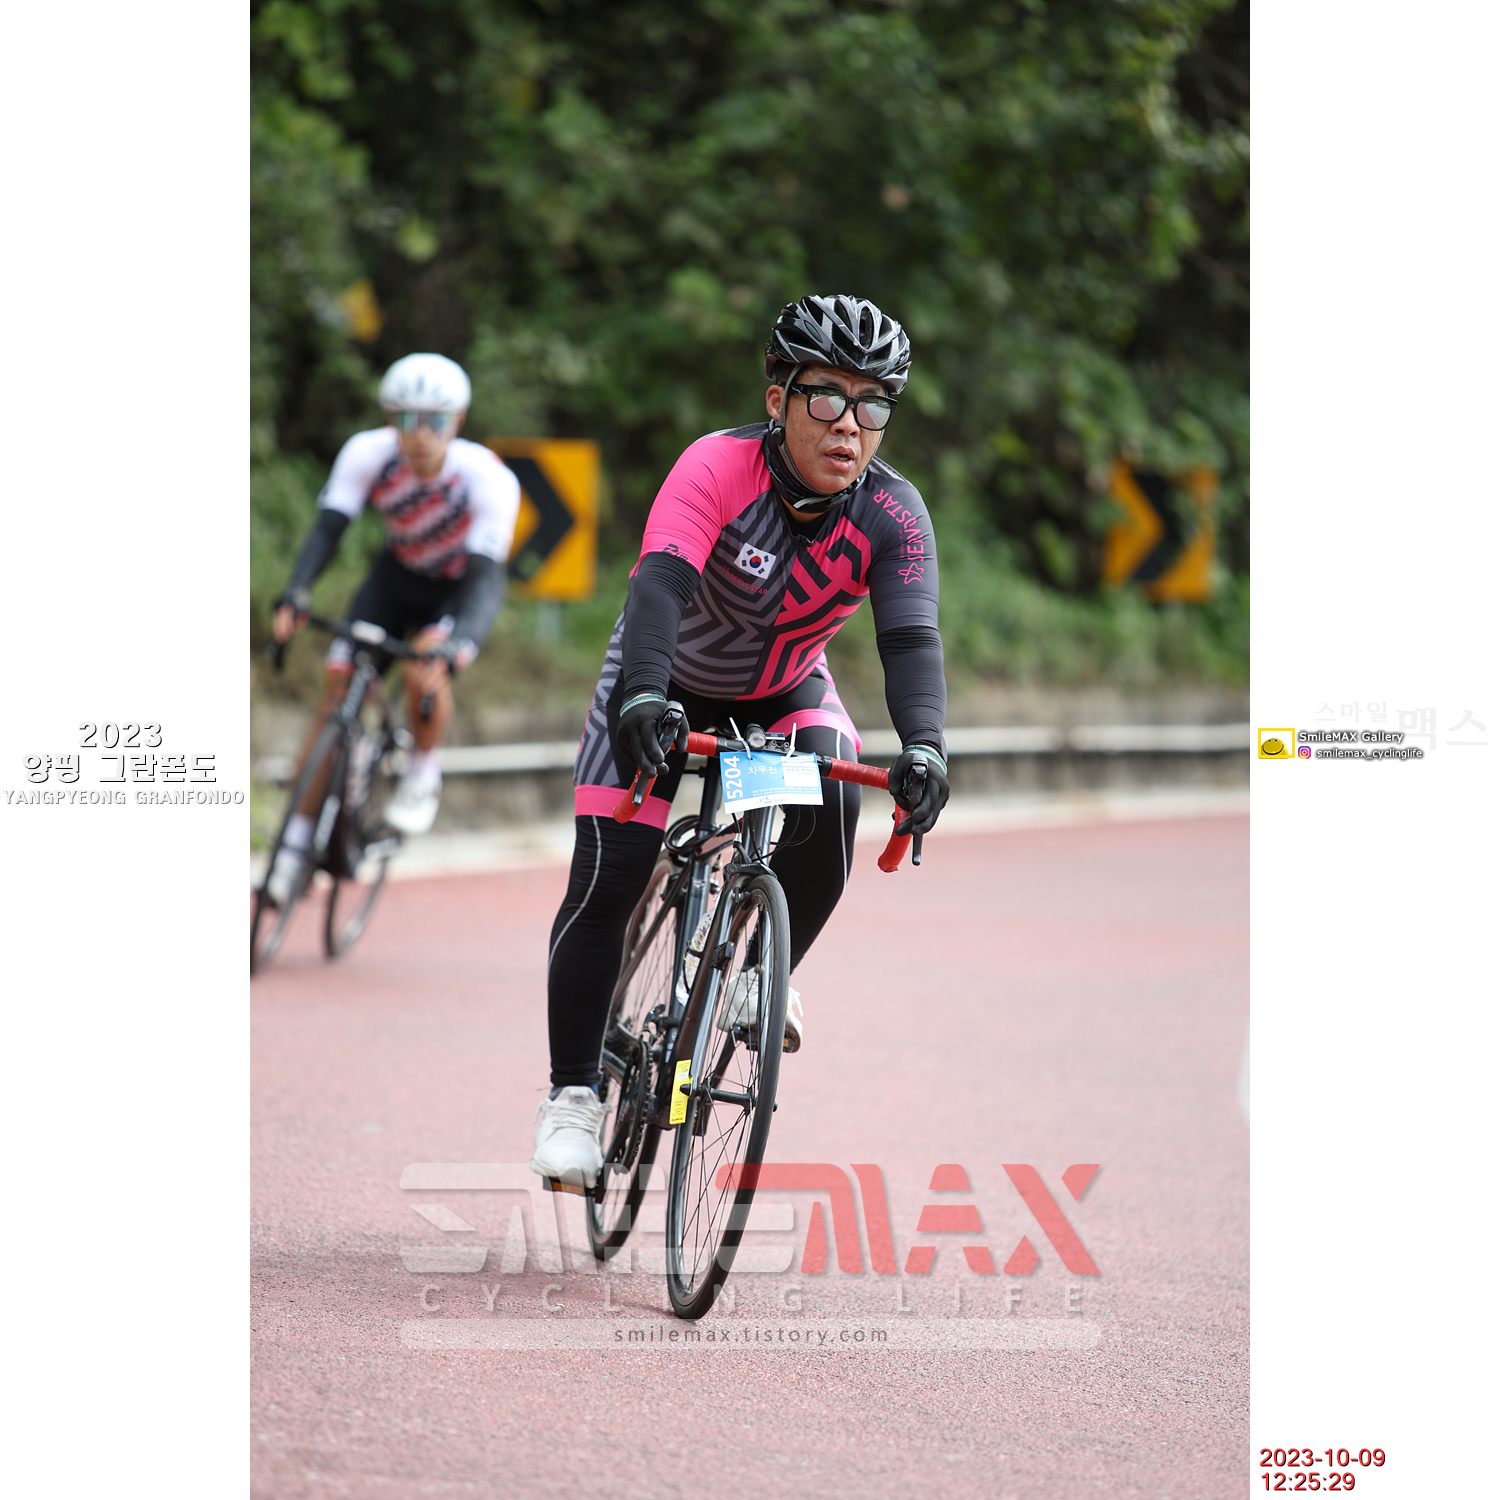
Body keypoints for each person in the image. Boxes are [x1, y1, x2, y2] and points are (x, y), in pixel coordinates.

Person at [530, 294, 950, 1187]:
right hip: (662, 681)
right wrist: (645, 696)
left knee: (834, 791)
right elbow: (659, 584)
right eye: (826, 397)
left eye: (873, 404)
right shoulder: (717, 466)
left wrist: (926, 747)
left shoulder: (895, 513)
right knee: (609, 875)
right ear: (777, 400)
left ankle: (763, 968)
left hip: (784, 693)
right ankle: (572, 1098)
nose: (850, 424)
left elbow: (911, 639)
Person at [266, 352, 521, 904]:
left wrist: (460, 644)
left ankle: (423, 771)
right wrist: (297, 591)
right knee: (335, 693)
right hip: (394, 579)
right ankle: (293, 845)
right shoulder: (368, 454)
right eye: (407, 419)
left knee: (424, 662)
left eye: (435, 421)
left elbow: (486, 581)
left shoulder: (487, 478)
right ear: (390, 421)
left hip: (455, 589)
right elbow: (328, 529)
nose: (420, 434)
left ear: (457, 422)